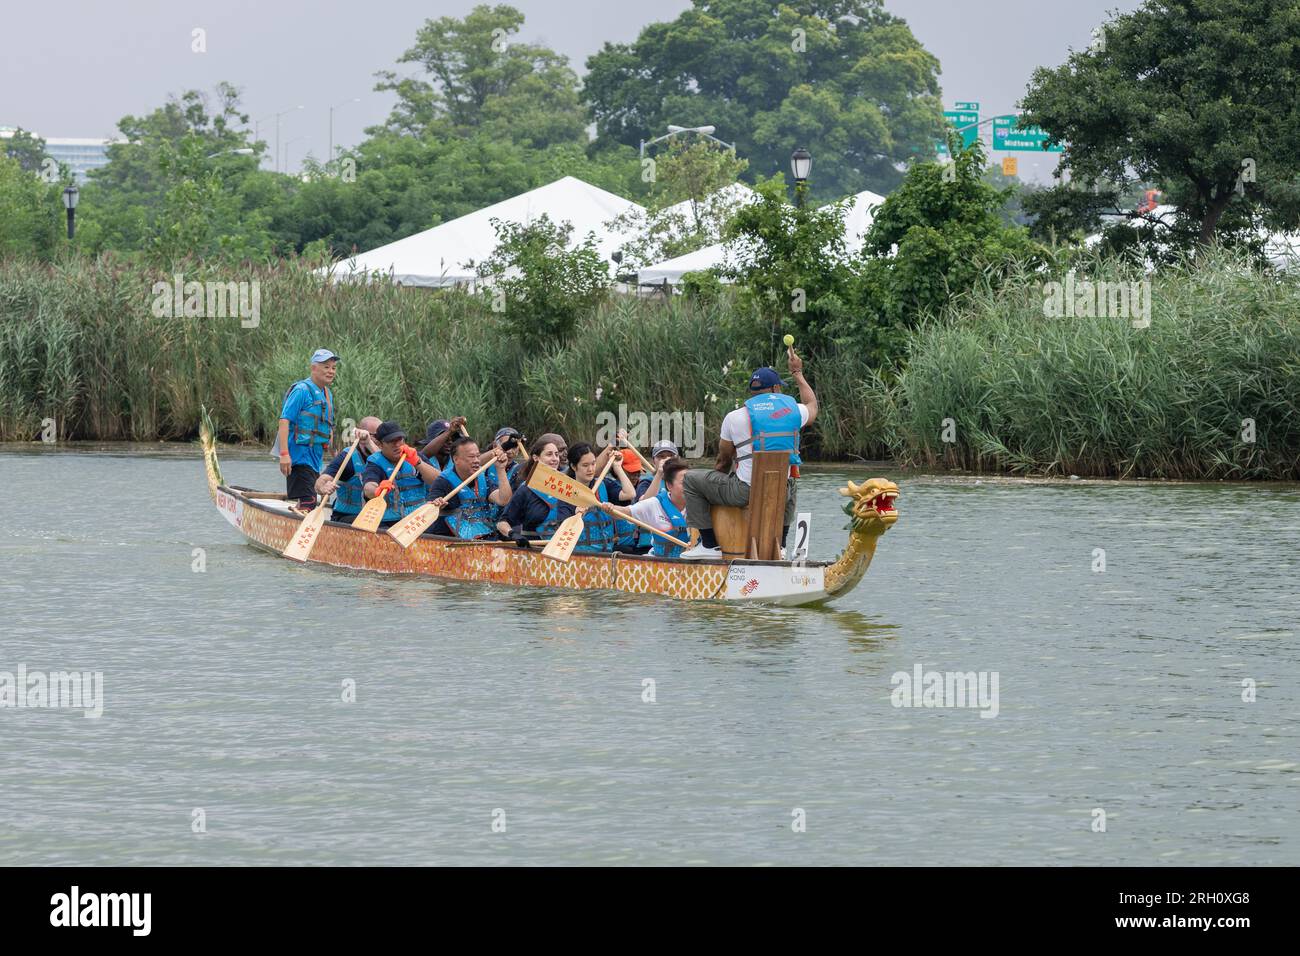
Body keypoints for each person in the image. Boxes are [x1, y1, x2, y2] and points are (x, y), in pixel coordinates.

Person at [679, 350, 818, 559]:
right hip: (782, 493)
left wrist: (716, 485)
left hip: (744, 492)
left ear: (751, 392)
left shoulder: (734, 417)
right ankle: (780, 545)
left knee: (691, 479)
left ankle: (709, 545)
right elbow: (812, 406)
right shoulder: (795, 411)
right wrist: (797, 373)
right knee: (791, 478)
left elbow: (723, 460)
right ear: (776, 388)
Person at [276, 349, 339, 511]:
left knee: (308, 497)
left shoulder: (327, 393)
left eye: (333, 367)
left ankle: (296, 514)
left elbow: (327, 426)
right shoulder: (301, 390)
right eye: (326, 367)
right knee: (309, 499)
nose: (331, 371)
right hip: (298, 456)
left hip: (315, 458)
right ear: (314, 368)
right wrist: (284, 454)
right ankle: (298, 530)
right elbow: (284, 421)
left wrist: (334, 453)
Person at [552, 442, 636, 553]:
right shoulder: (567, 494)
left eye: (593, 464)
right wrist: (577, 514)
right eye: (585, 465)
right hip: (580, 558)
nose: (591, 469)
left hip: (606, 556)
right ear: (573, 466)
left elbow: (630, 494)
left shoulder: (603, 484)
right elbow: (563, 533)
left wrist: (617, 467)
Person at [599, 457, 691, 558]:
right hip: (660, 565)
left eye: (691, 481)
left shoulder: (700, 503)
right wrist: (609, 507)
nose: (689, 486)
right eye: (683, 482)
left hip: (690, 566)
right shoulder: (655, 504)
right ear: (669, 486)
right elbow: (625, 512)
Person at [426, 435, 513, 539]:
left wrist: (501, 469)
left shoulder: (482, 478)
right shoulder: (443, 482)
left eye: (477, 456)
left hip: (483, 535)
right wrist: (437, 504)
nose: (477, 460)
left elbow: (503, 500)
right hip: (450, 539)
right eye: (471, 457)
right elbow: (430, 507)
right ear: (456, 459)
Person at [359, 421, 442, 527]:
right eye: (391, 441)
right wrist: (377, 490)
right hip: (388, 523)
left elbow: (439, 482)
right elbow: (368, 488)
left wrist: (418, 463)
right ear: (380, 444)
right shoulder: (375, 463)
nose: (398, 445)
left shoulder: (416, 457)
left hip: (418, 520)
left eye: (400, 440)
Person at [314, 416, 381, 525]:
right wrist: (323, 487)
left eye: (383, 436)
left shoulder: (386, 457)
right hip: (348, 517)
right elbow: (321, 481)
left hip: (377, 517)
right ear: (362, 435)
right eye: (376, 436)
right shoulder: (347, 457)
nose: (381, 439)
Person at [495, 436, 565, 541]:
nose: (555, 459)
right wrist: (513, 534)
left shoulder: (567, 486)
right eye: (549, 454)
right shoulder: (525, 489)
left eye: (556, 454)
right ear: (536, 458)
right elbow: (502, 523)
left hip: (563, 549)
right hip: (534, 550)